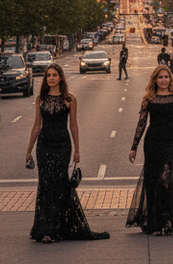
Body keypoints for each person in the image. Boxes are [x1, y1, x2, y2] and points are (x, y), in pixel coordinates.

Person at [25, 65, 109, 242]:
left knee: (60, 184)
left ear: (61, 78)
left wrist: (77, 150)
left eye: (55, 75)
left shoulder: (69, 99)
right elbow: (36, 125)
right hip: (44, 146)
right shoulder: (41, 99)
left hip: (63, 145)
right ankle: (46, 229)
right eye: (49, 75)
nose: (51, 78)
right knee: (46, 186)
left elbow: (74, 126)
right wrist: (29, 149)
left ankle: (59, 227)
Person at [126, 64, 173, 235]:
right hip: (152, 142)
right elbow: (141, 124)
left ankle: (167, 218)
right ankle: (155, 222)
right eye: (160, 77)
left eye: (166, 77)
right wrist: (133, 148)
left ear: (170, 79)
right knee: (152, 180)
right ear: (155, 80)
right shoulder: (148, 98)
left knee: (166, 177)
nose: (164, 80)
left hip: (170, 142)